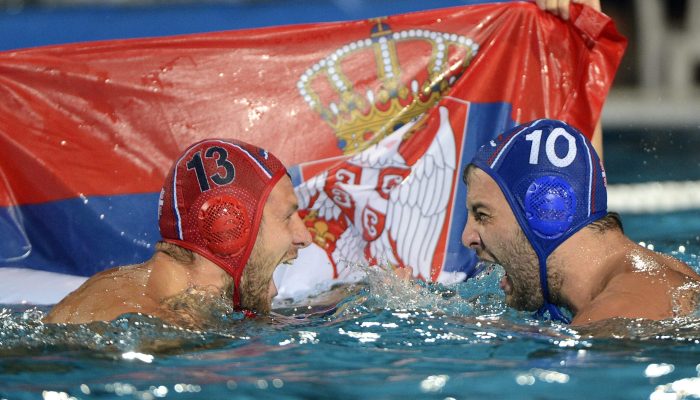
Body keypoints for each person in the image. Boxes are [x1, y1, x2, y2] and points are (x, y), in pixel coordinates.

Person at [44, 139, 312, 327]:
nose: (305, 237)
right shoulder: (157, 330)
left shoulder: (118, 287)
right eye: (288, 216)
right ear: (228, 226)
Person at [461, 119, 700, 325]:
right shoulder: (652, 278)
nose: (467, 237)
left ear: (546, 212)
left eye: (482, 215)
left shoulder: (619, 313)